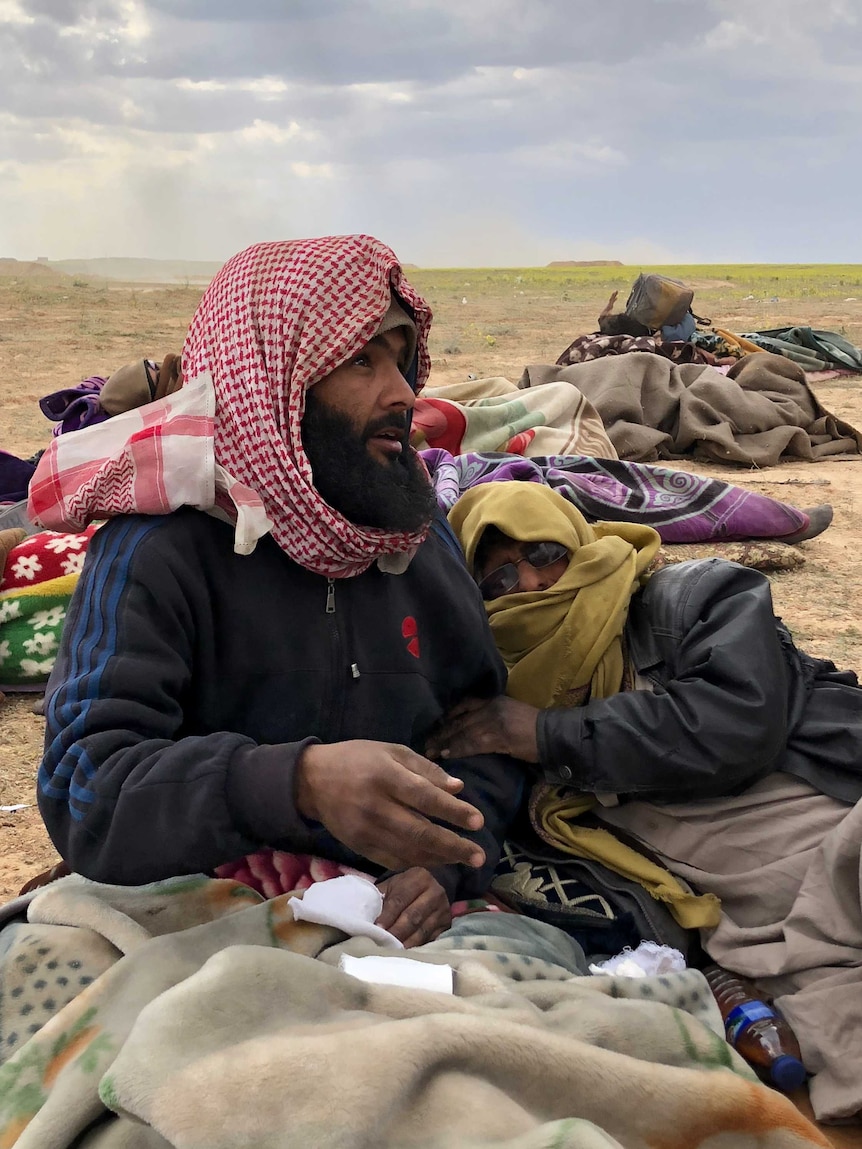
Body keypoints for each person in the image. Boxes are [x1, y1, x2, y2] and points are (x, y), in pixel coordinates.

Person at [34, 236, 526, 948]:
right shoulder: (158, 549)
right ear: (274, 379)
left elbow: (484, 733)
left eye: (400, 360)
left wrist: (444, 868)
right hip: (201, 912)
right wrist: (296, 781)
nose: (402, 393)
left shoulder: (413, 534)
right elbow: (87, 791)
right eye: (362, 361)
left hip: (395, 924)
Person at [428, 480, 862, 1122]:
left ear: (577, 543)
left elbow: (737, 724)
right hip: (764, 925)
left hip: (837, 819)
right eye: (499, 581)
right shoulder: (494, 697)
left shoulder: (695, 598)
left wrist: (546, 734)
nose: (531, 586)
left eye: (546, 553)